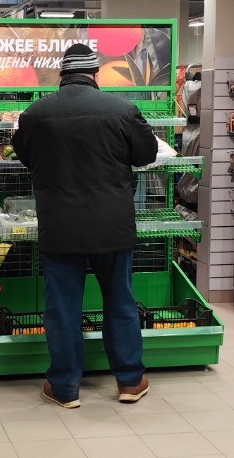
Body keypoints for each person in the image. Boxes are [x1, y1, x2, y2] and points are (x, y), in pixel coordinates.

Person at [12, 42, 159, 408]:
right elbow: (147, 154)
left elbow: (26, 157)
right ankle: (130, 381)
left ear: (62, 74)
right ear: (95, 74)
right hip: (112, 226)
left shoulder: (35, 114)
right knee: (120, 302)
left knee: (63, 309)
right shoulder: (122, 110)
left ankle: (64, 388)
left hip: (60, 227)